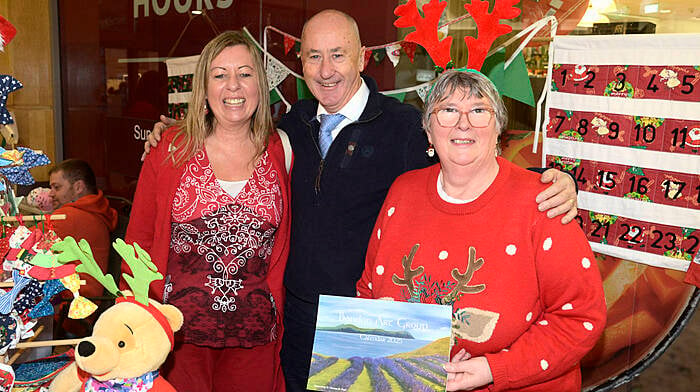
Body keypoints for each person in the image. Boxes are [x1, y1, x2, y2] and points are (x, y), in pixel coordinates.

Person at [144, 10, 578, 391]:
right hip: (293, 321)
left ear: (363, 57)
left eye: (338, 54)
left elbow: (463, 161)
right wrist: (169, 134)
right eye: (314, 56)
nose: (326, 69)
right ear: (301, 63)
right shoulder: (288, 128)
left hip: (367, 326)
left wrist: (546, 180)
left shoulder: (404, 126)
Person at [356, 70, 606, 391]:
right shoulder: (402, 191)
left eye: (478, 110)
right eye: (447, 110)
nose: (463, 123)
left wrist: (494, 369)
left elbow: (580, 318)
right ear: (429, 132)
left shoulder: (542, 202)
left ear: (498, 128)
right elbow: (368, 290)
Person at [125, 31, 291, 391]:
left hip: (255, 337)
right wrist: (134, 321)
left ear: (260, 85)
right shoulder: (169, 148)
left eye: (245, 74)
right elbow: (137, 240)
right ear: (203, 87)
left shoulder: (282, 149)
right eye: (220, 75)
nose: (233, 85)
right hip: (177, 337)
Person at [49, 159, 117, 298]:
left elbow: (20, 239)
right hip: (87, 297)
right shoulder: (95, 210)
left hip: (73, 302)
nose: (51, 193)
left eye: (57, 187)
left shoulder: (70, 216)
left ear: (78, 187)